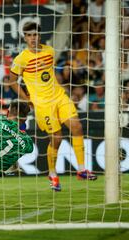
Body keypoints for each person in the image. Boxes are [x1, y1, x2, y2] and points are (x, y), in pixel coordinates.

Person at [8, 22, 97, 192]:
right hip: (42, 104)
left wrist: (62, 87)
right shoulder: (21, 59)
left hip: (59, 97)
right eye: (29, 35)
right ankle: (53, 173)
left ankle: (81, 169)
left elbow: (49, 73)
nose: (33, 38)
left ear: (39, 35)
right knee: (57, 138)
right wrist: (27, 98)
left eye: (35, 34)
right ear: (25, 38)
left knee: (77, 127)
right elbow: (11, 81)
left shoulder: (49, 50)